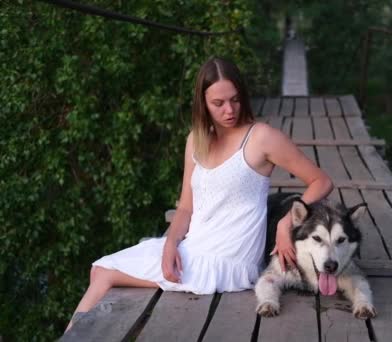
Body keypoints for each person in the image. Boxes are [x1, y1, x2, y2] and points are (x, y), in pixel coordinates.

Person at [65, 57, 333, 331]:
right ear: (203, 103)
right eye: (218, 103)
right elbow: (185, 208)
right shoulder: (196, 139)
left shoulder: (261, 137)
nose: (229, 110)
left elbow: (321, 181)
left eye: (235, 99)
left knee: (105, 275)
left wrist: (285, 222)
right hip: (194, 247)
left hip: (228, 260)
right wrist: (170, 244)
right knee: (98, 269)